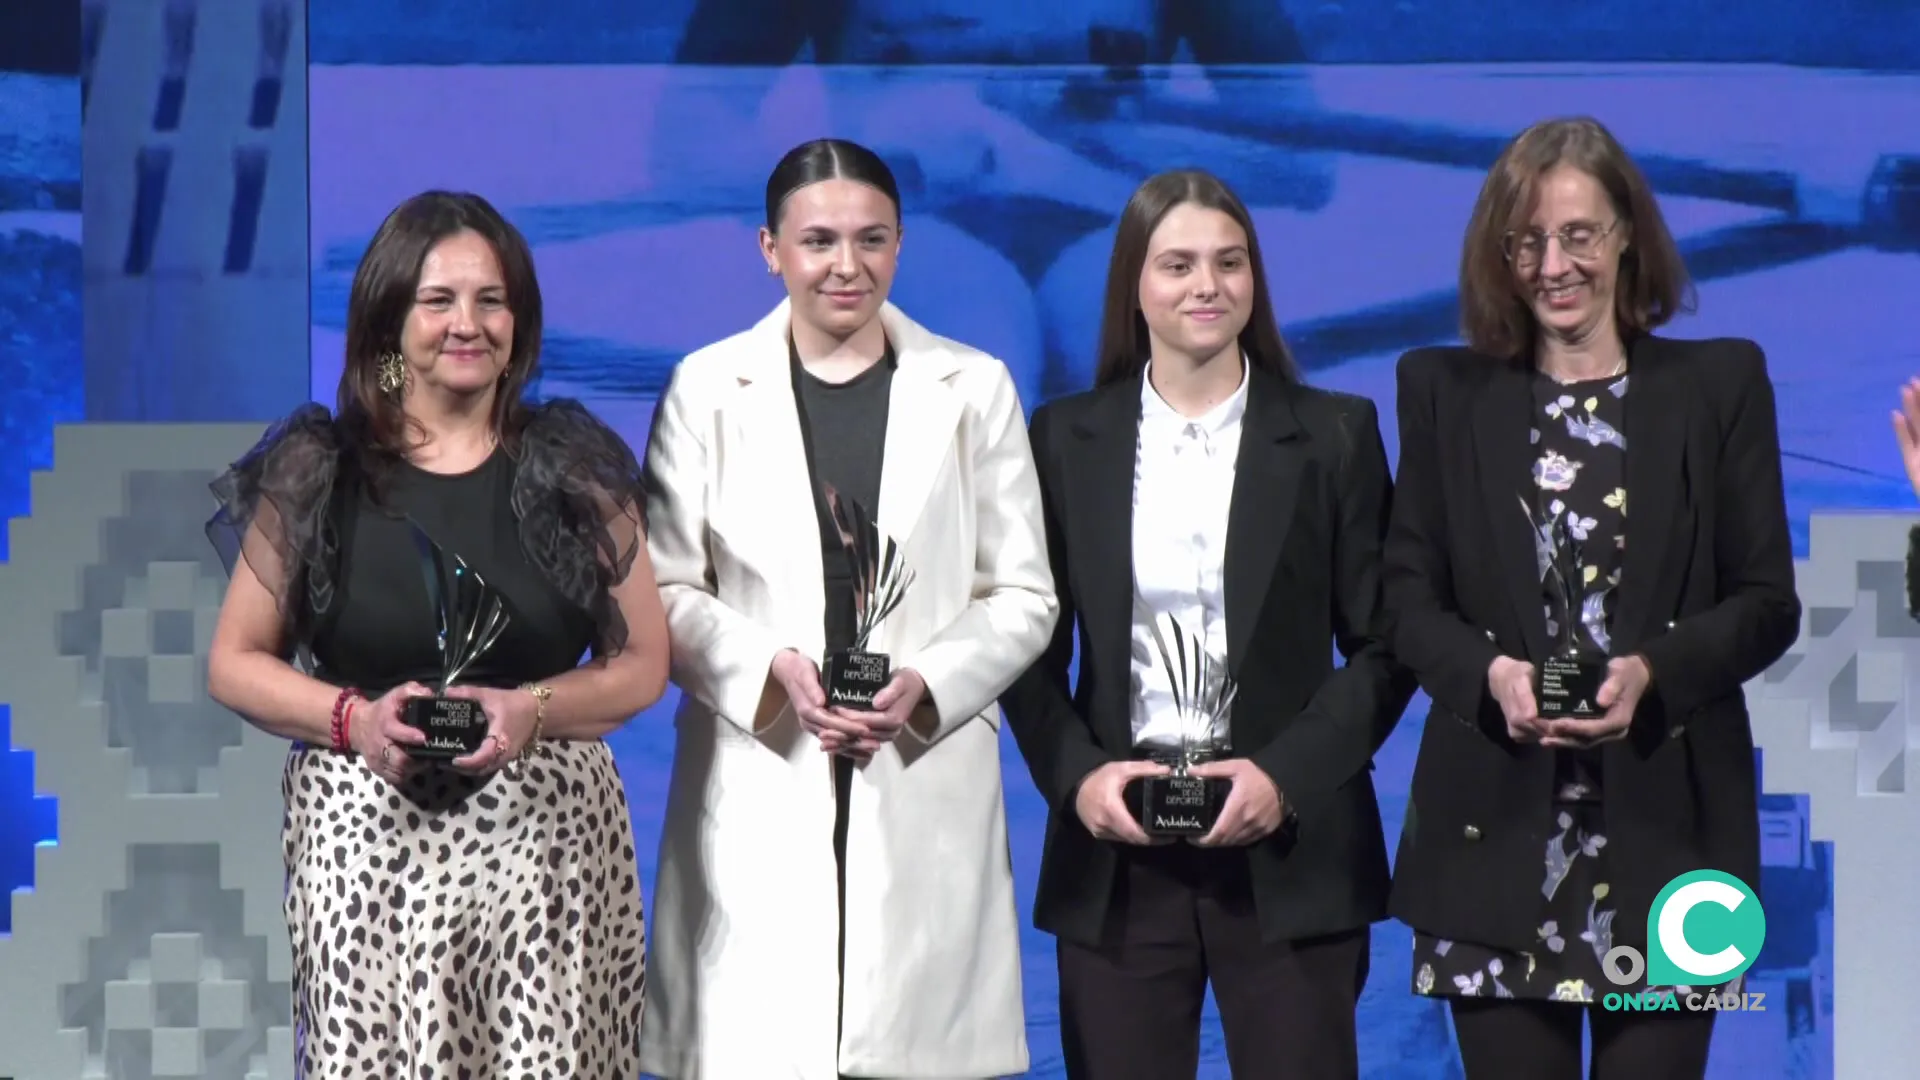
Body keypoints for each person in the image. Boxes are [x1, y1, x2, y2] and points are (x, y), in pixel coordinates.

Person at [204, 191, 669, 1076]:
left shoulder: (572, 463)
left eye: (492, 300)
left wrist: (532, 708)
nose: (469, 324)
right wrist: (355, 721)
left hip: (548, 853)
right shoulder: (317, 468)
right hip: (366, 851)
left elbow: (644, 663)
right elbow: (233, 662)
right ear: (389, 321)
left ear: (519, 320)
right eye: (439, 300)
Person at [1383, 116, 1802, 1079]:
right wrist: (1492, 675)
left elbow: (1765, 600)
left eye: (1578, 234)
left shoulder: (1720, 383)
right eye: (1526, 241)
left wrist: (1652, 672)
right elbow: (1406, 597)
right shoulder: (1441, 390)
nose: (1552, 264)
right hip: (1491, 839)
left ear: (1626, 235)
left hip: (1673, 832)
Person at [638, 138, 1057, 1079]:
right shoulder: (706, 388)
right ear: (768, 248)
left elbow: (1024, 591)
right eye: (818, 240)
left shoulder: (974, 387)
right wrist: (769, 671)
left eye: (872, 240)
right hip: (762, 758)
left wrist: (926, 682)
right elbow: (668, 588)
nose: (846, 265)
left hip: (916, 764)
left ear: (901, 247)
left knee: (908, 1044)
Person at [1000, 168, 1415, 1079]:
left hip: (1289, 853)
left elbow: (1386, 647)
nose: (1207, 286)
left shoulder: (1335, 434)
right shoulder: (1064, 439)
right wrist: (1079, 782)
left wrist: (1284, 776)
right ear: (1134, 287)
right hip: (1118, 858)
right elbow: (1025, 647)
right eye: (1178, 264)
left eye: (1230, 263)